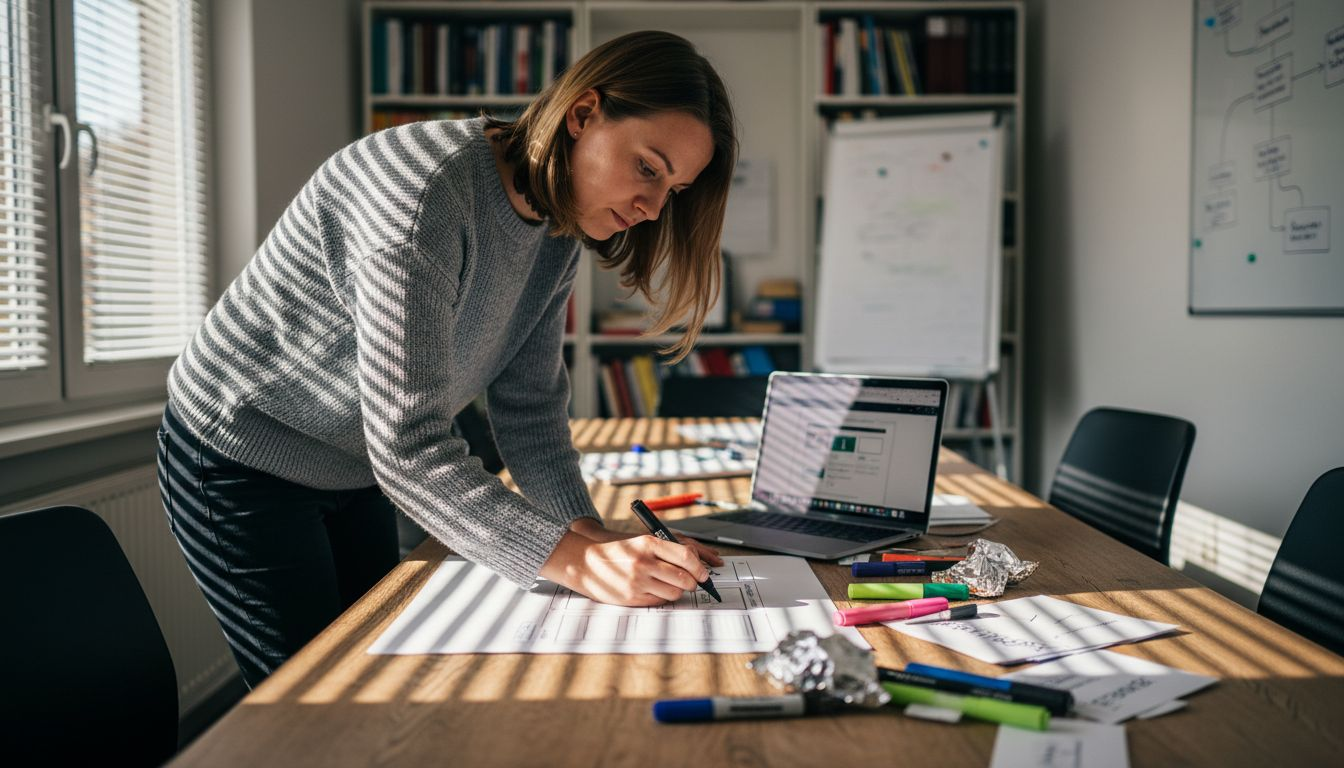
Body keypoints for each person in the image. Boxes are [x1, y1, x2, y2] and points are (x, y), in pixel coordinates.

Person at [156, 30, 738, 688]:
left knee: (372, 672)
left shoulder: (558, 226)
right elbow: (408, 446)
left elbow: (529, 409)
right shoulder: (423, 194)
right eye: (649, 169)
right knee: (311, 694)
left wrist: (586, 531)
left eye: (674, 190)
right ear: (583, 115)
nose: (653, 209)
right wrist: (577, 563)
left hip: (353, 462)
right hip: (241, 449)